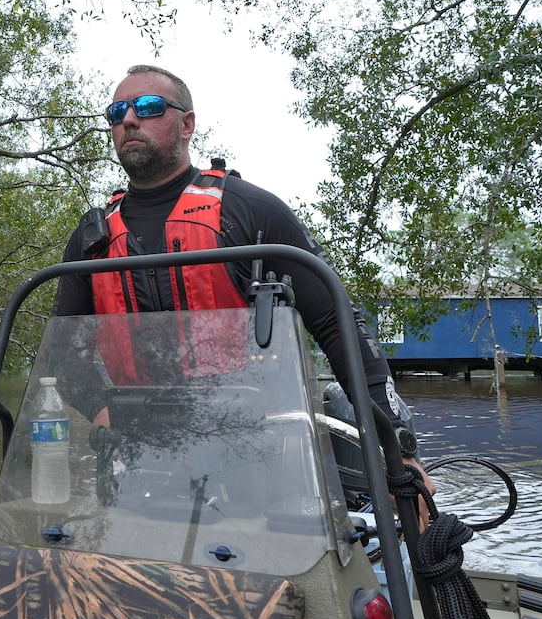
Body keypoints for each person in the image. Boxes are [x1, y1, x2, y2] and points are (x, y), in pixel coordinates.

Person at [51, 63, 423, 495]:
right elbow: (65, 355)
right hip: (139, 464)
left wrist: (399, 448)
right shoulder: (92, 241)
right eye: (117, 113)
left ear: (187, 124)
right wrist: (101, 410)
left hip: (257, 456)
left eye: (148, 107)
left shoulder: (249, 211)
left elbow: (338, 326)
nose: (129, 120)